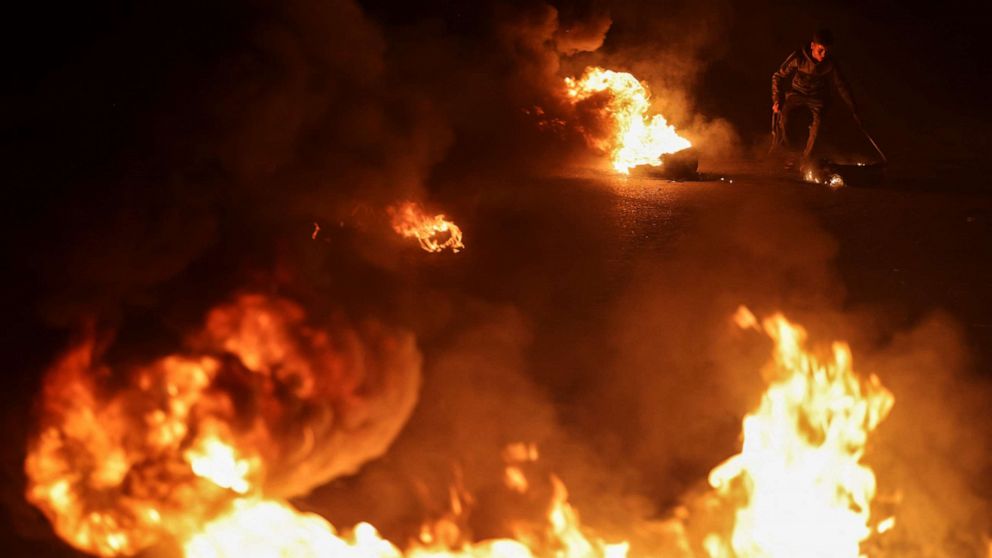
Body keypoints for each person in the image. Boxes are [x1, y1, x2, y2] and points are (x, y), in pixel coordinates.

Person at [770, 28, 859, 163]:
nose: (823, 55)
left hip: (818, 98)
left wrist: (853, 108)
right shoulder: (798, 57)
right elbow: (778, 76)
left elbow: (842, 86)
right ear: (812, 46)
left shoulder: (830, 63)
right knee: (784, 118)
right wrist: (777, 99)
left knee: (819, 125)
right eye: (820, 50)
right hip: (796, 94)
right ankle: (790, 154)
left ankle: (806, 160)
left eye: (827, 51)